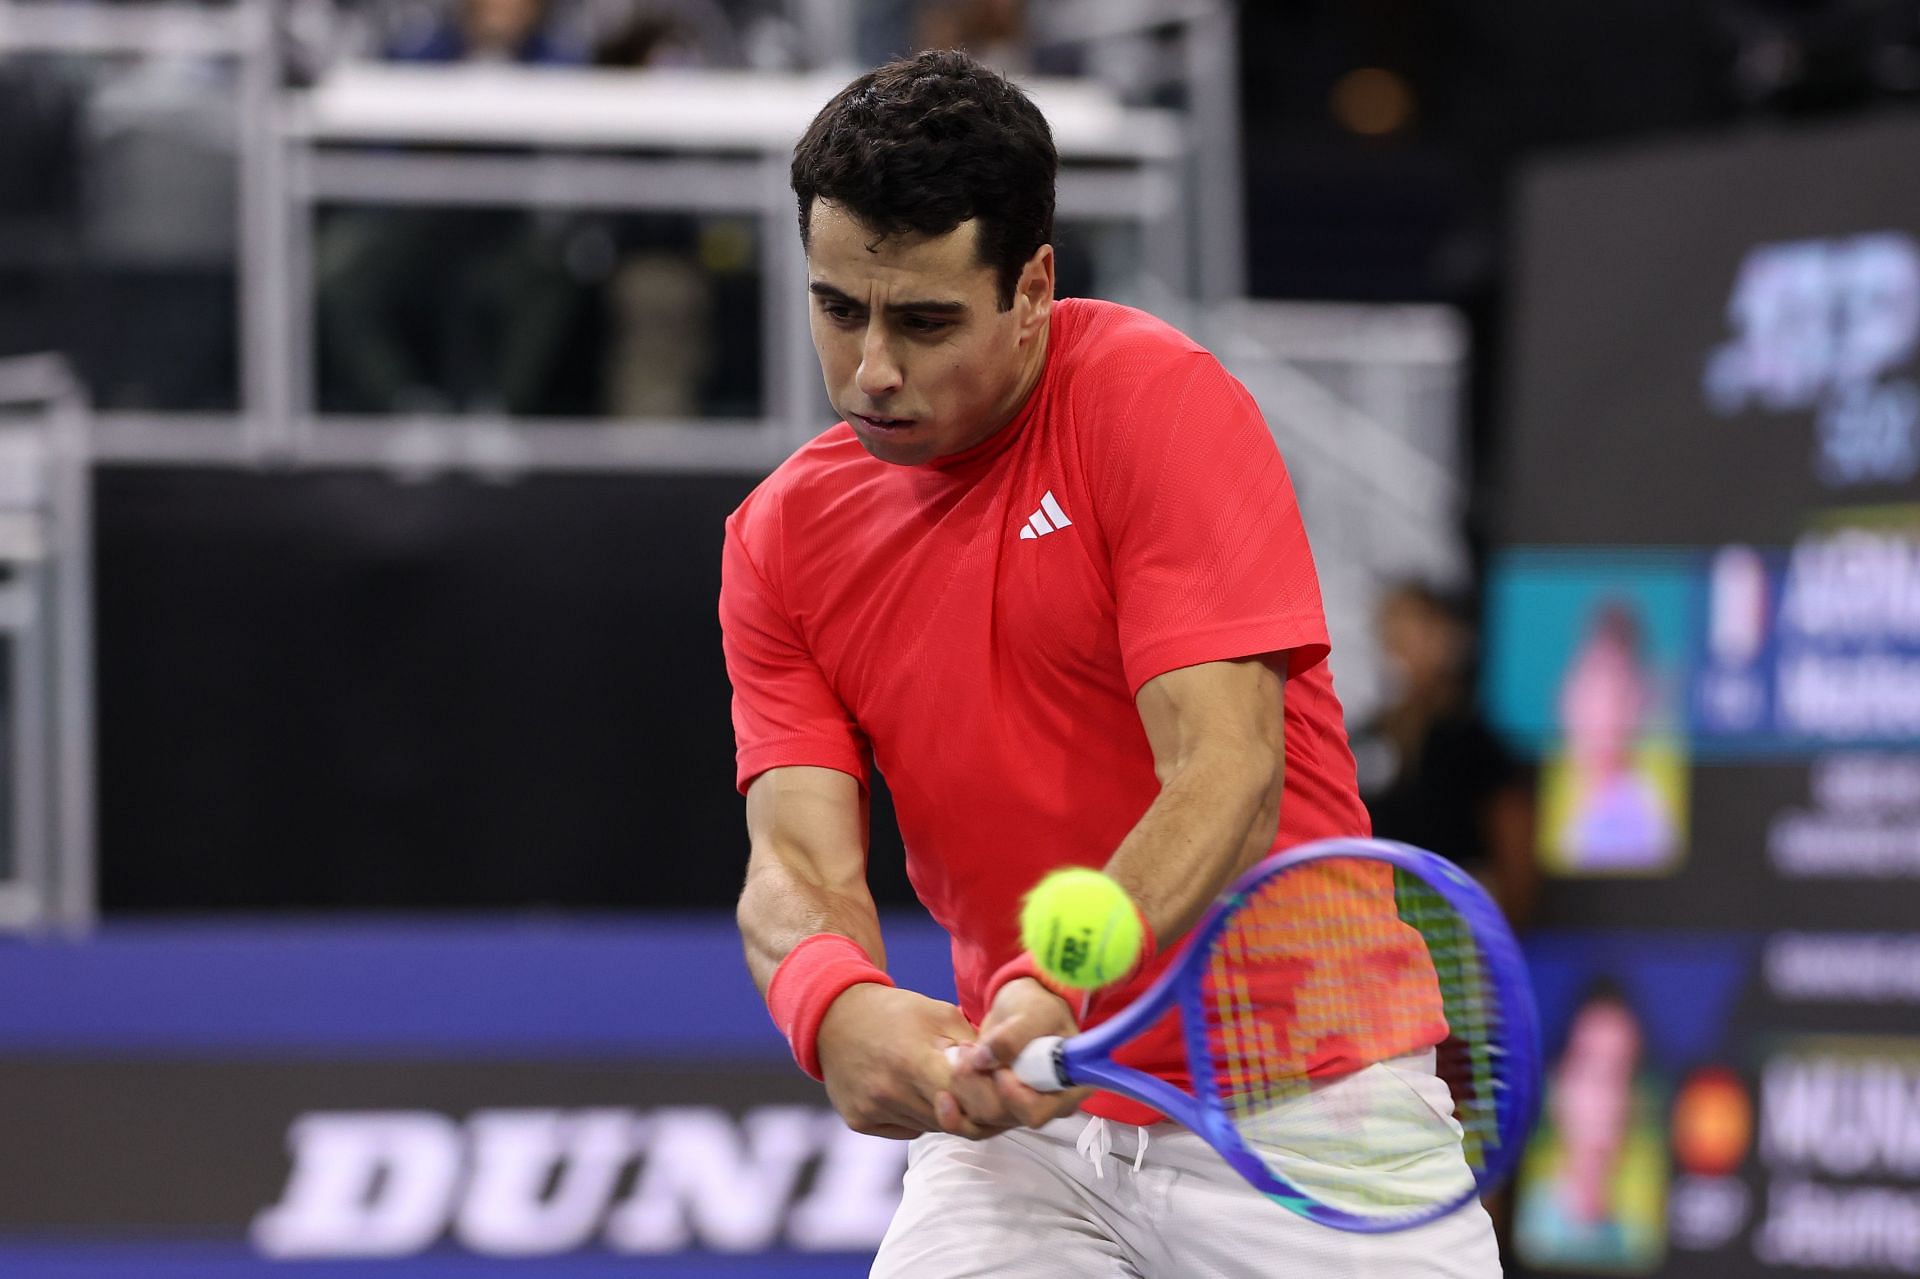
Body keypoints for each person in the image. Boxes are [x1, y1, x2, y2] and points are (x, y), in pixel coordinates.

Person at [719, 51, 1500, 1277]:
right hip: (1028, 1133)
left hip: (1302, 1107)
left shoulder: (1152, 404)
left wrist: (1062, 979)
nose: (873, 368)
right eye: (838, 307)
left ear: (1032, 285)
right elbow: (797, 862)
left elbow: (1224, 773)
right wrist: (829, 998)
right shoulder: (779, 539)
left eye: (925, 320)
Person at [1354, 581, 1538, 925]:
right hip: (1370, 940)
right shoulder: (1359, 739)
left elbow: (1516, 863)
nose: (1401, 650)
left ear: (1449, 642)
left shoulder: (1476, 744)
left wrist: (1492, 942)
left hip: (1453, 942)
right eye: (1393, 635)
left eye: (1417, 633)